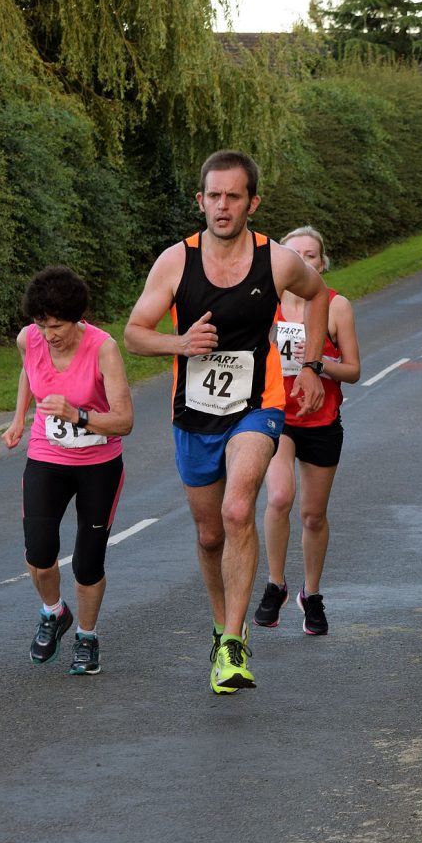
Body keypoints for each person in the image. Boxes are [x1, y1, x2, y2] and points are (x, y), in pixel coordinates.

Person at [123, 150, 329, 695]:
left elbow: (318, 294)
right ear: (200, 201)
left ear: (251, 203)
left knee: (239, 509)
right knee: (210, 533)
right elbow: (135, 333)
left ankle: (234, 643)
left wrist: (310, 366)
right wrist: (180, 343)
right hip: (193, 416)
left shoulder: (277, 260)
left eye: (233, 196)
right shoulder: (175, 262)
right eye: (213, 196)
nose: (222, 206)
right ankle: (221, 627)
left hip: (257, 407)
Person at [2, 266, 134, 676]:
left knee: (87, 564)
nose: (48, 334)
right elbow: (29, 372)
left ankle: (87, 638)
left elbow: (124, 421)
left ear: (77, 319)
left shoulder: (103, 348)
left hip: (98, 464)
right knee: (40, 555)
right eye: (41, 324)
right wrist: (19, 418)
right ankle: (54, 612)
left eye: (56, 326)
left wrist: (78, 415)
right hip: (47, 456)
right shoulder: (29, 339)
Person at [253, 227, 361, 636]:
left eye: (311, 255)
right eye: (294, 253)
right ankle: (275, 583)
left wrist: (317, 362)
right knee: (280, 497)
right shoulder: (267, 304)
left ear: (322, 263)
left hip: (321, 420)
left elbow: (353, 370)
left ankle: (311, 594)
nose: (302, 260)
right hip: (277, 417)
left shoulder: (337, 306)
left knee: (313, 516)